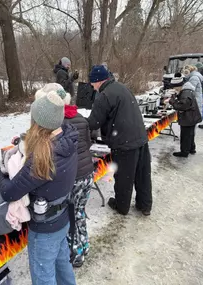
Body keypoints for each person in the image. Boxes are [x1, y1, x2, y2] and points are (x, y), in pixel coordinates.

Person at [0, 91, 78, 285]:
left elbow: (10, 192)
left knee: (44, 278)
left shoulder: (44, 158)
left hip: (46, 229)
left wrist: (1, 172)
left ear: (38, 122)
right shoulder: (69, 138)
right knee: (62, 266)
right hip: (62, 219)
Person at [36, 83, 94, 267]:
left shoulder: (58, 124)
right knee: (80, 211)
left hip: (73, 177)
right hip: (88, 173)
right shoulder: (81, 119)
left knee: (71, 215)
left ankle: (75, 253)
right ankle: (83, 244)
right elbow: (88, 143)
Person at [87, 65, 152, 216]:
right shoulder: (121, 87)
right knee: (142, 174)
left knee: (124, 176)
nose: (91, 86)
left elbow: (93, 123)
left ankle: (121, 206)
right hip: (140, 137)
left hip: (124, 142)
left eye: (92, 82)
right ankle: (145, 205)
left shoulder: (104, 95)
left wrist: (77, 121)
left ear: (98, 81)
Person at [166, 75, 202, 157]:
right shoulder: (186, 90)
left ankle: (184, 152)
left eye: (174, 87)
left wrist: (172, 101)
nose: (174, 89)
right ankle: (192, 149)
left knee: (186, 135)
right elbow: (184, 101)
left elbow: (182, 106)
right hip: (192, 116)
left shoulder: (186, 93)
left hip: (188, 117)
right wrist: (176, 96)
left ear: (178, 86)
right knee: (190, 134)